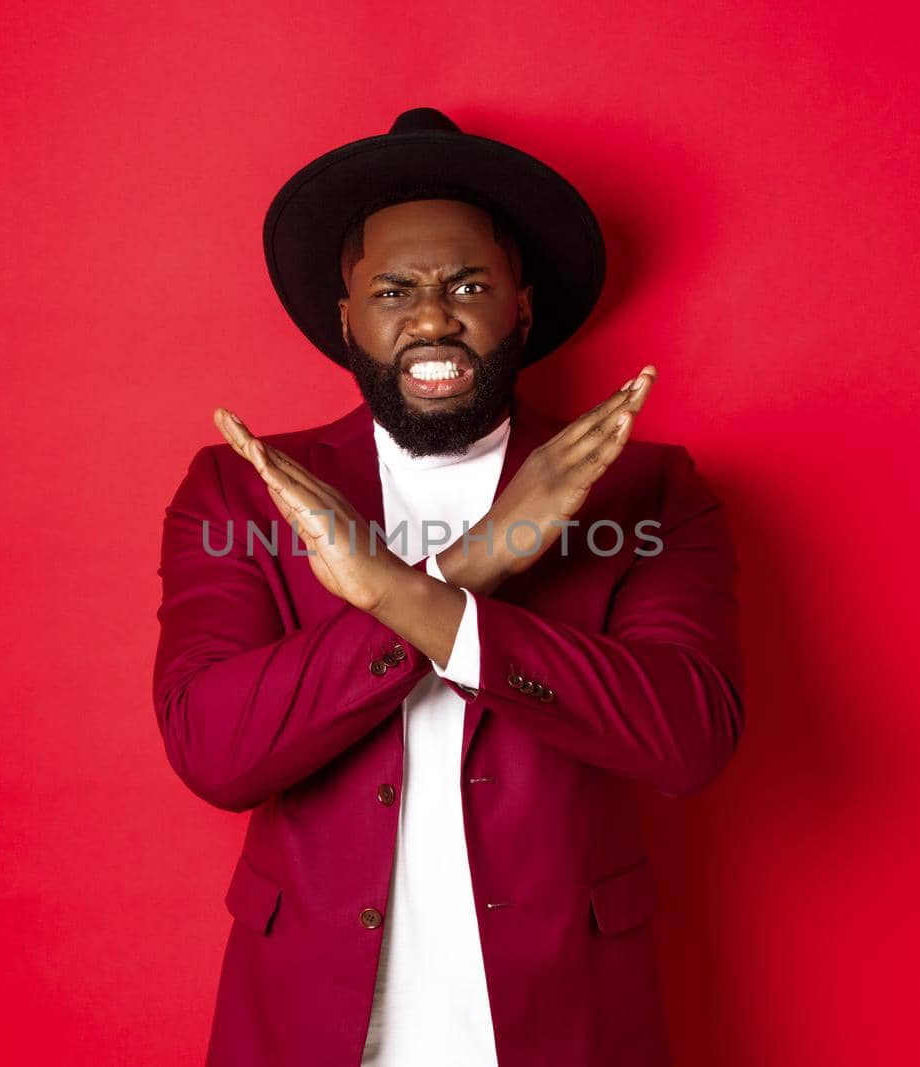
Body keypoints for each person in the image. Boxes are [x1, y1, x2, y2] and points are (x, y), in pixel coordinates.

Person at [153, 107, 744, 1067]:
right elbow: (214, 750)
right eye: (395, 289)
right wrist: (483, 559)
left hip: (567, 1018)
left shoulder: (648, 488)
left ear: (521, 305)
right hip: (312, 1021)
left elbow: (688, 736)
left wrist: (402, 593)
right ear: (348, 318)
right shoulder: (243, 490)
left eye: (468, 283)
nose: (432, 317)